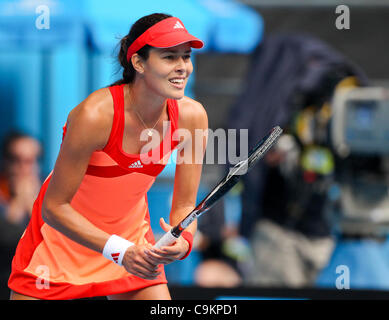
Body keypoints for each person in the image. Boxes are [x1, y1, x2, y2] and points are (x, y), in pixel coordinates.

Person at [8, 13, 208, 300]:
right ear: (138, 63)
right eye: (169, 57)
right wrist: (118, 250)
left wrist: (184, 241)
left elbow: (186, 204)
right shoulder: (94, 115)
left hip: (132, 247)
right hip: (59, 249)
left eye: (185, 57)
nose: (182, 68)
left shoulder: (192, 117)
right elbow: (53, 207)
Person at [0, 132, 41, 299]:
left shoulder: (51, 196)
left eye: (30, 161)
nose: (24, 168)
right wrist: (19, 202)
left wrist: (33, 206)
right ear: (5, 161)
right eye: (16, 160)